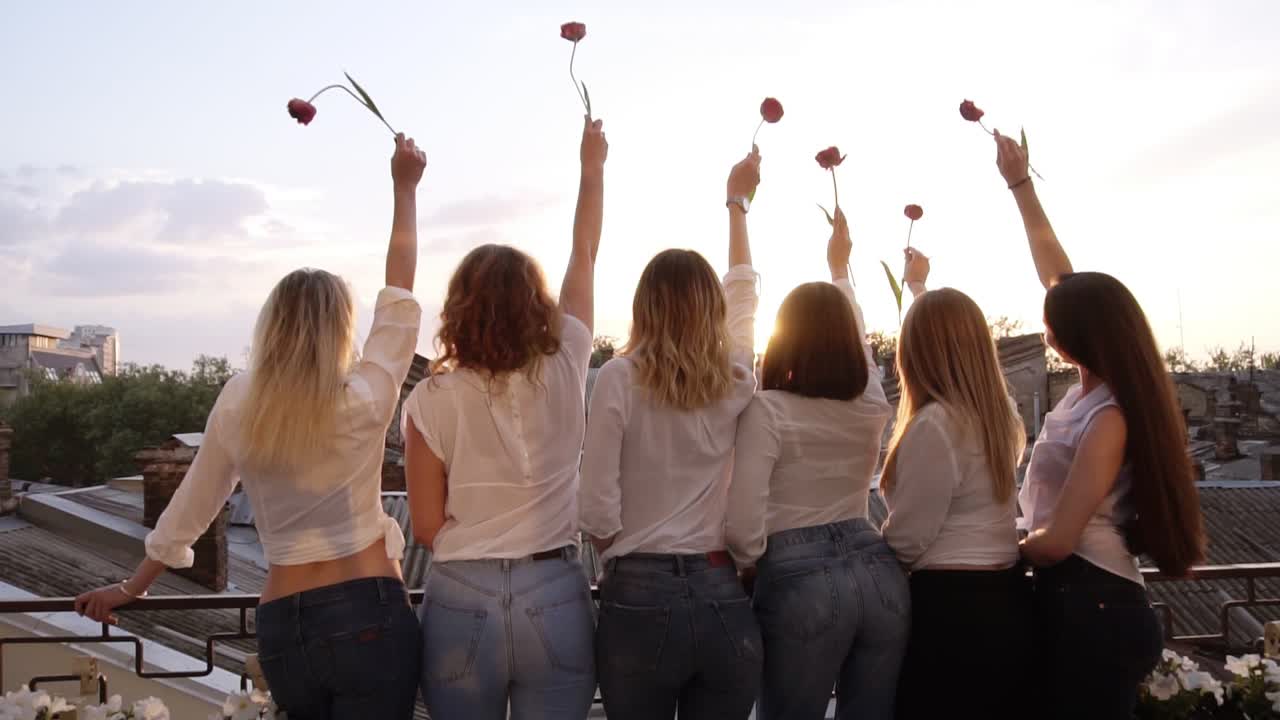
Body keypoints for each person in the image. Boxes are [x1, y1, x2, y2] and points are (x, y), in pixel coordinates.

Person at [75, 134, 429, 719]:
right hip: (368, 612)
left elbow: (195, 501)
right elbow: (398, 297)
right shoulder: (366, 395)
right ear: (339, 331)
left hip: (283, 625)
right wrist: (405, 189)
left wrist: (131, 588)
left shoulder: (242, 400)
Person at [400, 115, 607, 720]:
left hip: (462, 591)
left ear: (458, 309)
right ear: (537, 304)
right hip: (557, 589)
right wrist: (591, 169)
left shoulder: (431, 400)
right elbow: (585, 254)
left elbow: (428, 526)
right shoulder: (567, 360)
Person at [995, 130, 1206, 719]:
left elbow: (1060, 540)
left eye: (1050, 321)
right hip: (1087, 603)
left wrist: (995, 546)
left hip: (1095, 602)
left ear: (1073, 337)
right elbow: (1061, 279)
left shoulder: (1110, 416)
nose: (1043, 323)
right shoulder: (1095, 394)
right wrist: (1019, 185)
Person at [580, 147, 764, 720]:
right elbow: (743, 296)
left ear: (643, 306)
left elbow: (595, 504)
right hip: (720, 591)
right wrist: (737, 207)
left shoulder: (617, 378)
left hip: (639, 593)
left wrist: (625, 553)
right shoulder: (734, 377)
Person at [726, 207, 904, 720]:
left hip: (799, 581)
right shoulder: (870, 405)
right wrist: (841, 271)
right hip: (878, 573)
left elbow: (742, 530)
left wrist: (754, 562)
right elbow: (865, 351)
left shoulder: (767, 410)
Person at [878, 249, 1031, 720]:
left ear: (913, 354)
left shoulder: (935, 426)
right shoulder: (1001, 417)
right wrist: (920, 288)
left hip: (951, 610)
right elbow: (950, 348)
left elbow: (908, 539)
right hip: (1007, 600)